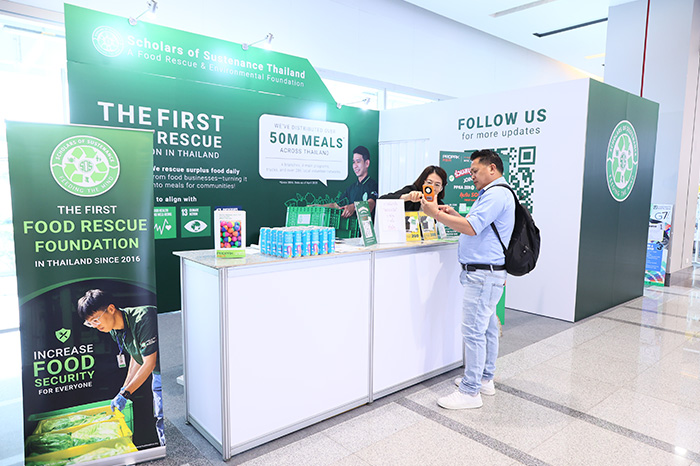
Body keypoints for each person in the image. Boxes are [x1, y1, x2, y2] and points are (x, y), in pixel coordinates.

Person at [420, 149, 514, 410]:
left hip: (483, 275)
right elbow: (479, 228)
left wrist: (436, 214)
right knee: (487, 328)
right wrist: (455, 215)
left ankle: (470, 391)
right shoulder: (495, 193)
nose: (471, 176)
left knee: (473, 331)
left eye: (475, 171)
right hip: (488, 273)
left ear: (492, 168)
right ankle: (484, 378)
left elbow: (472, 229)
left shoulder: (495, 194)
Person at [77, 289, 164, 445]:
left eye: (96, 319)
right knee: (160, 417)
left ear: (111, 309)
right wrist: (123, 389)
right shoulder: (114, 330)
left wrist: (126, 393)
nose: (95, 326)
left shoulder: (144, 318)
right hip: (157, 374)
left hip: (168, 368)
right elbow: (136, 357)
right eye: (90, 323)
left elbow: (149, 363)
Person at [327, 145, 379, 218]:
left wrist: (354, 207)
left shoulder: (373, 185)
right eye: (354, 162)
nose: (355, 166)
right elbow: (336, 205)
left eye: (358, 161)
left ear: (367, 163)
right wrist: (317, 206)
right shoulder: (351, 188)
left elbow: (370, 205)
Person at [379, 165, 447, 211]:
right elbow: (382, 200)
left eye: (437, 185)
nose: (432, 187)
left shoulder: (440, 206)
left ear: (441, 188)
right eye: (429, 182)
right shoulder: (412, 190)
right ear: (423, 182)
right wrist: (406, 197)